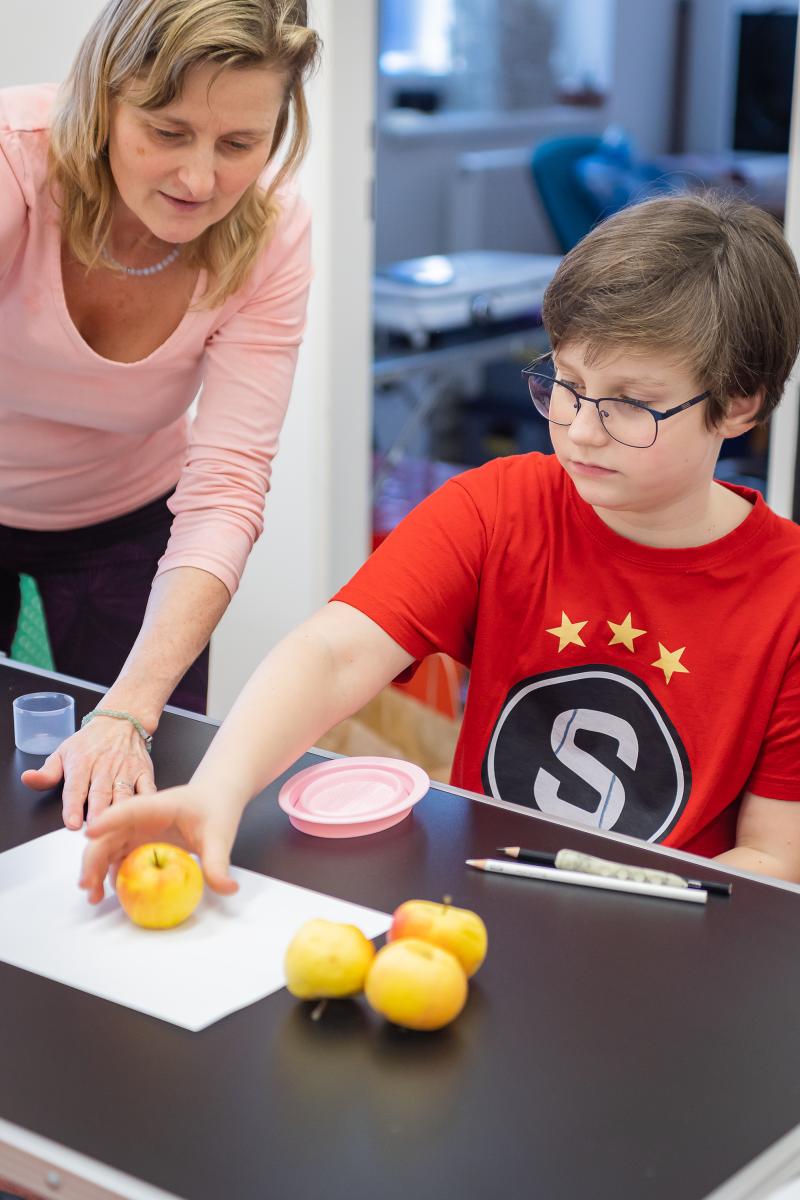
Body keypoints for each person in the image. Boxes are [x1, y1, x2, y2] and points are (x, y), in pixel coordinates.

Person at [79, 190, 800, 903]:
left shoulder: (787, 595)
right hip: (477, 903)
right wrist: (217, 790)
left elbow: (772, 857)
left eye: (629, 404)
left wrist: (622, 914)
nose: (581, 430)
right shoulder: (498, 508)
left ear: (738, 404)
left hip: (668, 929)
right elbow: (332, 654)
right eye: (568, 385)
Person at [0, 0, 320, 830]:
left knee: (138, 785)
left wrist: (129, 710)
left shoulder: (272, 231)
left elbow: (227, 483)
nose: (199, 180)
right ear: (102, 99)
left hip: (132, 522)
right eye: (168, 132)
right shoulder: (13, 160)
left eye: (239, 144)